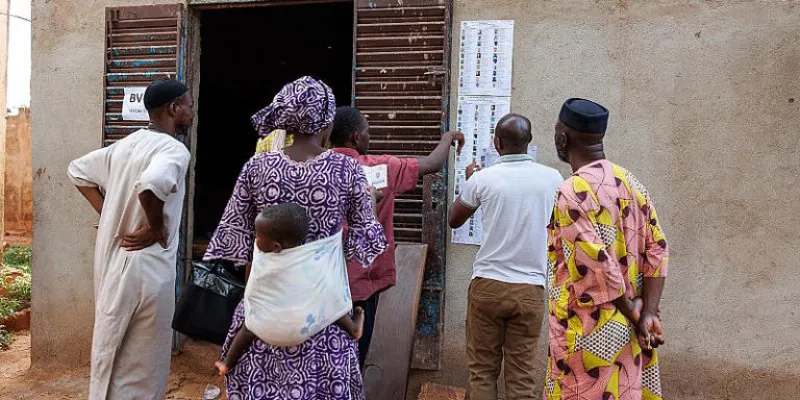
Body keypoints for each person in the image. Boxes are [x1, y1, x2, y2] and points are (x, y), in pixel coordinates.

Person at [204, 76, 387, 399]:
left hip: (266, 310)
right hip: (324, 311)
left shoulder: (256, 167)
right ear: (327, 123)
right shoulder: (347, 170)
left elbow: (238, 237)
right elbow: (365, 239)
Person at [67, 78, 193, 399]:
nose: (192, 112)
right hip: (147, 269)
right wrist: (155, 227)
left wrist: (110, 214)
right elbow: (151, 184)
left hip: (114, 266)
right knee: (143, 364)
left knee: (111, 349)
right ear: (173, 109)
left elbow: (77, 171)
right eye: (189, 105)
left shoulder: (124, 146)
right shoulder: (173, 150)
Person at [543, 98, 669, 400]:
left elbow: (599, 268)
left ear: (562, 138)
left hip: (586, 334)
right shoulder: (631, 183)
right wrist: (647, 312)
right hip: (630, 334)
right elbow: (658, 250)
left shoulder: (571, 191)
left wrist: (638, 317)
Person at [329, 106, 465, 367]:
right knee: (354, 358)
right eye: (367, 132)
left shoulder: (312, 170)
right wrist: (448, 138)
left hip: (321, 284)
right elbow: (432, 163)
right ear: (356, 138)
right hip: (360, 286)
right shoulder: (379, 169)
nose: (370, 137)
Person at [448, 114, 563, 400]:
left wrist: (469, 183)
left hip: (488, 285)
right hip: (530, 289)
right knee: (521, 375)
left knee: (482, 371)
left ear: (497, 143)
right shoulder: (553, 179)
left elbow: (454, 219)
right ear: (529, 142)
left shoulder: (482, 179)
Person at [214, 203, 365, 376]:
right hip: (302, 329)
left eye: (258, 236)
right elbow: (328, 284)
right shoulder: (310, 260)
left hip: (264, 330)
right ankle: (353, 328)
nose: (256, 240)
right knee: (328, 301)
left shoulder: (263, 260)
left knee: (246, 329)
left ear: (276, 246)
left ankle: (227, 363)